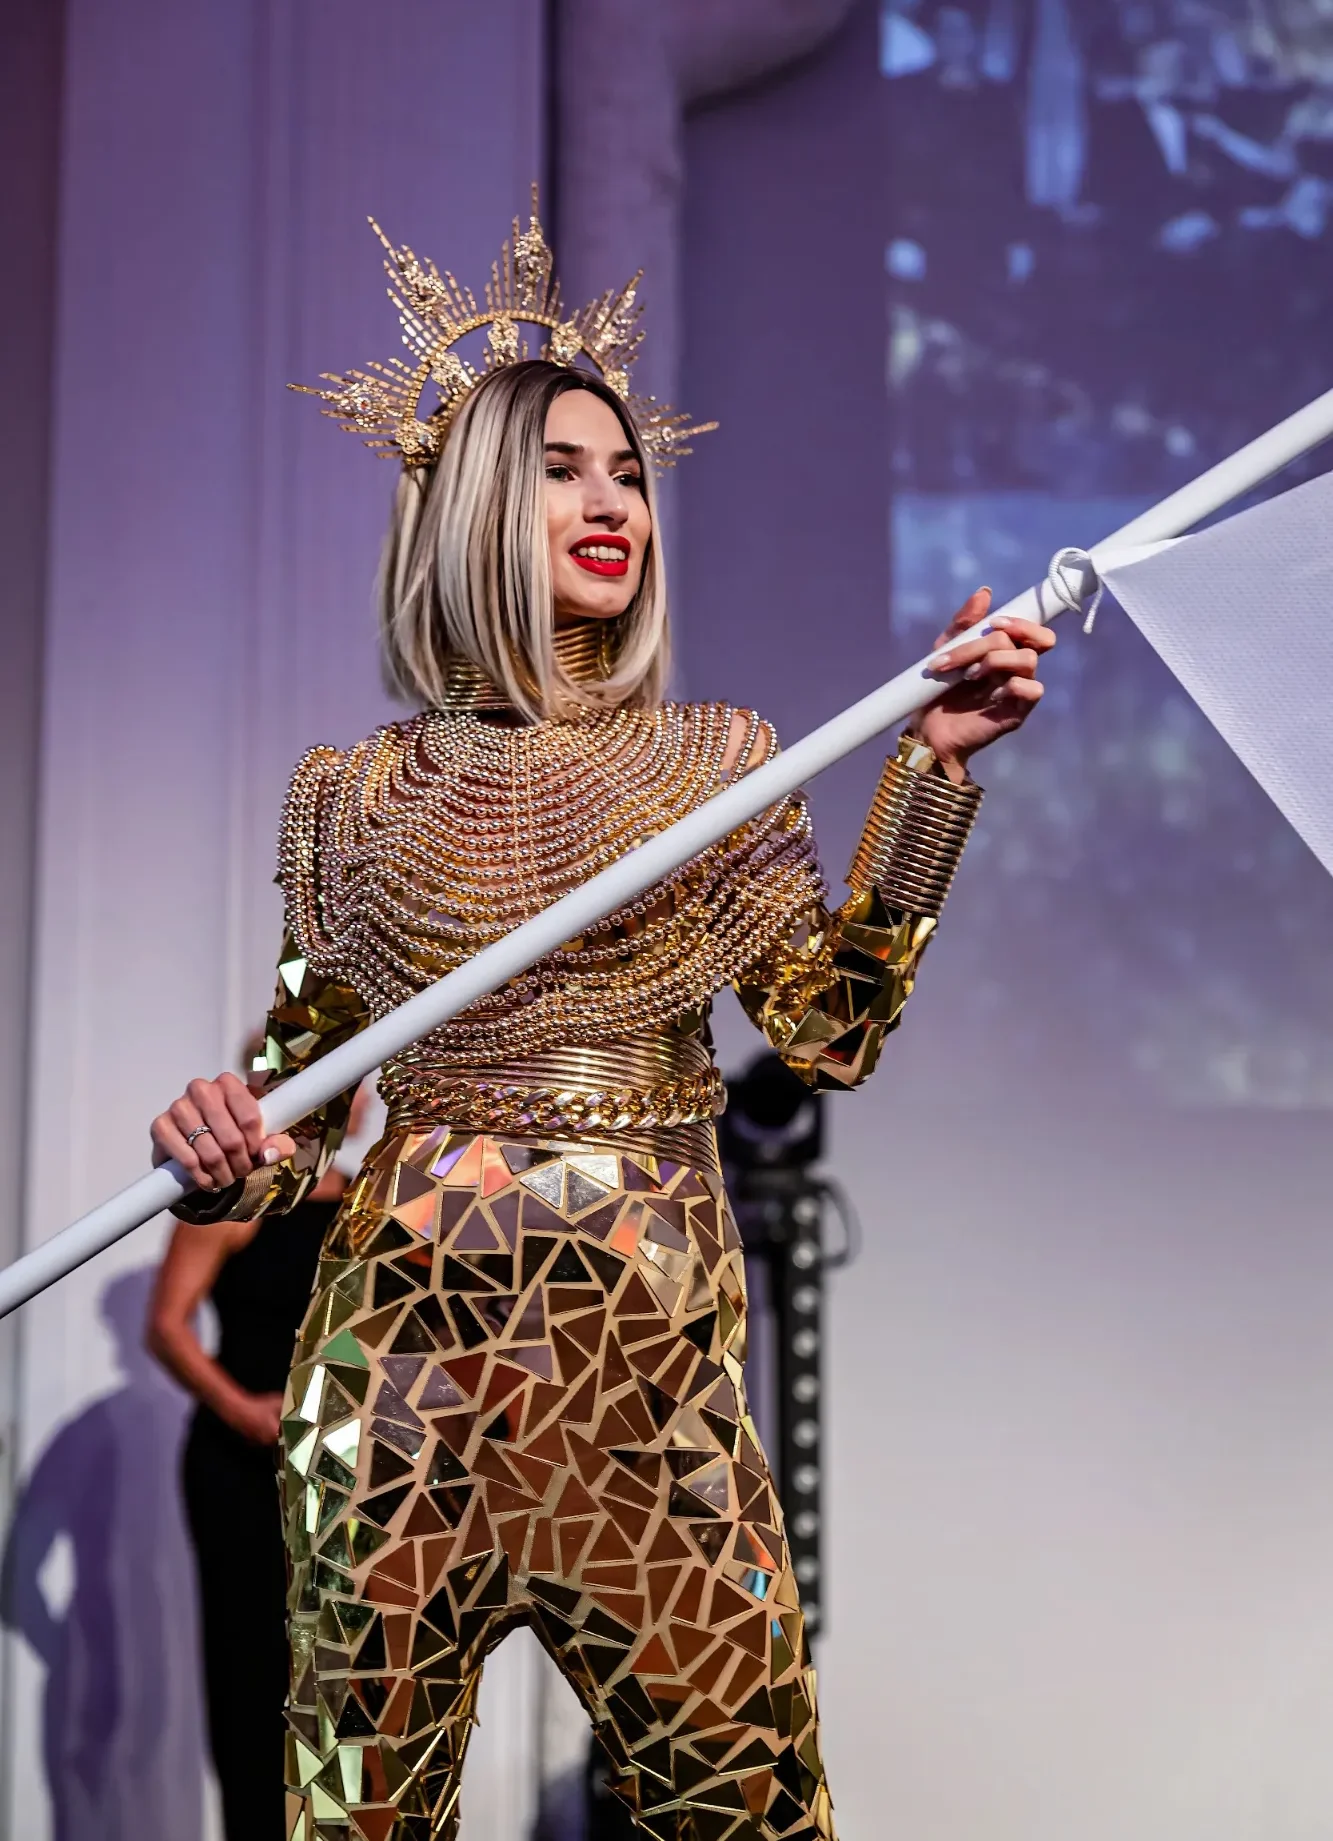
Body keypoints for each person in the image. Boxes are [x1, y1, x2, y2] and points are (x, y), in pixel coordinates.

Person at [149, 199, 1054, 1841]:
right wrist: (222, 1148)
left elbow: (827, 1032)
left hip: (646, 1387)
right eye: (562, 468)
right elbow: (294, 1121)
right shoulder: (349, 799)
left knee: (752, 1814)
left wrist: (929, 778)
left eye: (626, 472)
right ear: (473, 508)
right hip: (398, 1387)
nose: (610, 500)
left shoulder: (716, 764)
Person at [147, 1050, 369, 1840]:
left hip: (344, 1470)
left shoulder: (369, 1202)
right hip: (246, 1464)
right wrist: (242, 1408)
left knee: (345, 1674)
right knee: (252, 1666)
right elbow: (166, 1325)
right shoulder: (244, 1200)